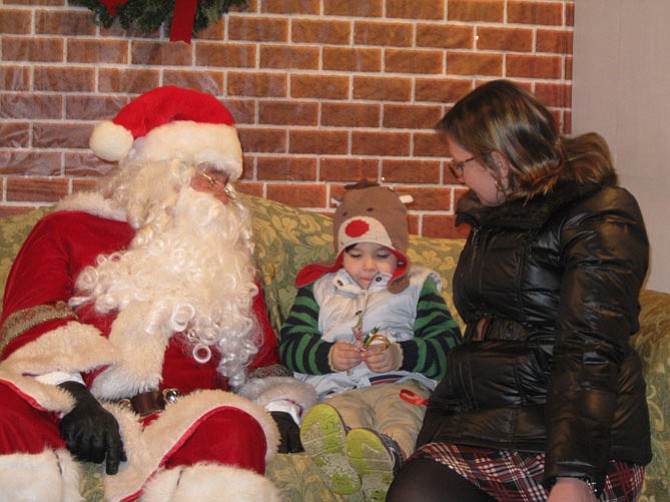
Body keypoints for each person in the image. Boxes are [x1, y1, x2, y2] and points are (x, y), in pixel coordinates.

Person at [0, 86, 316, 502]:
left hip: (185, 415)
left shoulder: (225, 256)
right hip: (72, 402)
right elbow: (30, 316)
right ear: (163, 172)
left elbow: (261, 362)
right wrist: (75, 398)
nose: (222, 195)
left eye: (226, 183)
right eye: (210, 178)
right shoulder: (68, 229)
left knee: (234, 425)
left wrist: (282, 408)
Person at [386, 79, 652, 502]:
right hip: (491, 428)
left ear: (498, 161)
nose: (459, 177)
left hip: (577, 442)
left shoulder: (601, 213)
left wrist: (573, 475)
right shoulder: (490, 219)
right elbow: (479, 343)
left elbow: (590, 348)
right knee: (414, 488)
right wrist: (435, 438)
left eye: (460, 164)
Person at [279, 180, 462, 501]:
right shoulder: (318, 289)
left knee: (401, 417)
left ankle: (389, 458)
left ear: (399, 252)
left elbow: (448, 345)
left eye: (381, 255)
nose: (367, 265)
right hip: (340, 389)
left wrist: (400, 355)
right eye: (355, 253)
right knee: (340, 419)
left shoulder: (417, 286)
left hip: (401, 386)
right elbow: (291, 345)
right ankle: (344, 462)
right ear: (341, 252)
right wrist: (328, 356)